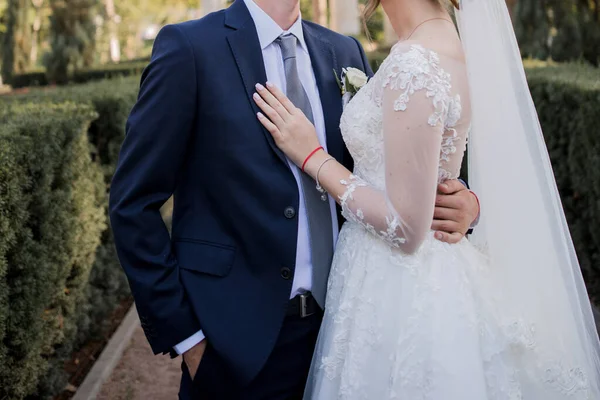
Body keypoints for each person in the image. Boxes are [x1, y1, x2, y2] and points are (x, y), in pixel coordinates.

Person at [108, 0, 479, 398]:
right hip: (234, 346)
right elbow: (132, 203)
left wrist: (467, 205)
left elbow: (402, 164)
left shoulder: (343, 51)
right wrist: (188, 339)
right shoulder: (191, 48)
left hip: (342, 331)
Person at [252, 0, 600, 398]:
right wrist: (470, 202)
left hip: (398, 288)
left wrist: (312, 156)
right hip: (411, 270)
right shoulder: (442, 42)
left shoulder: (415, 62)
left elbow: (405, 227)